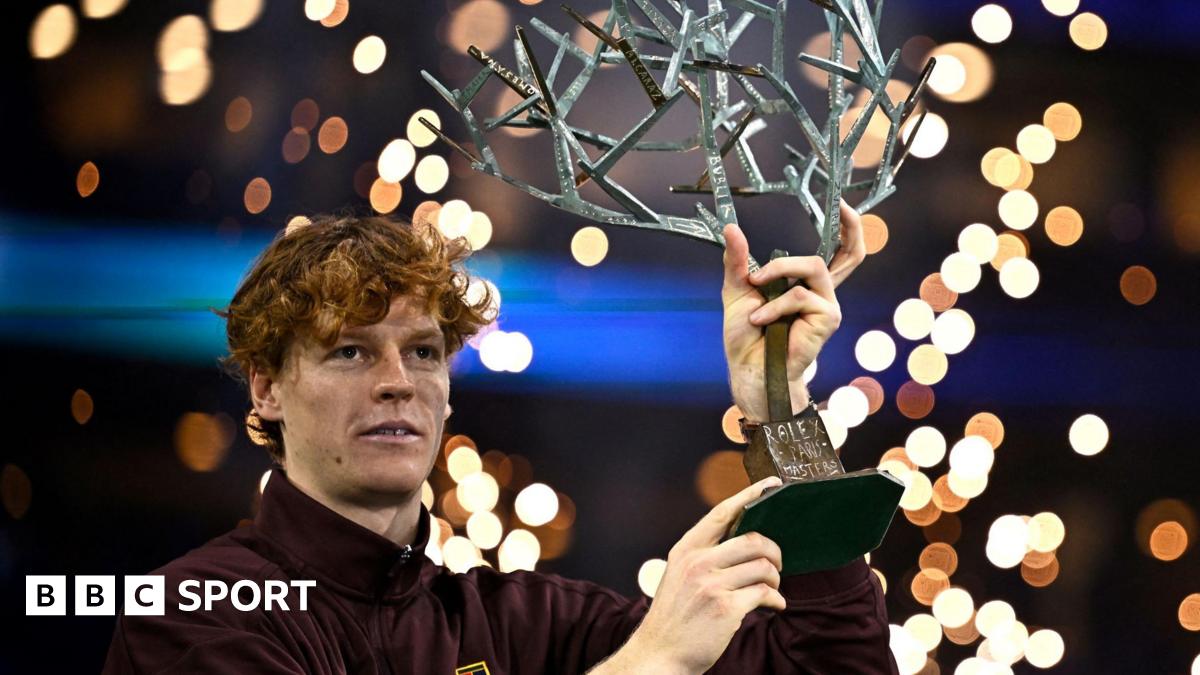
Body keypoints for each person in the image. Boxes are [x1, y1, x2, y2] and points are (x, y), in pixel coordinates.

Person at [103, 203, 897, 674]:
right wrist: (647, 662)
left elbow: (826, 665)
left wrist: (780, 403)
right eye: (350, 349)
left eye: (422, 351)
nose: (397, 381)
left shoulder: (522, 621)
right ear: (266, 388)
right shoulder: (191, 616)